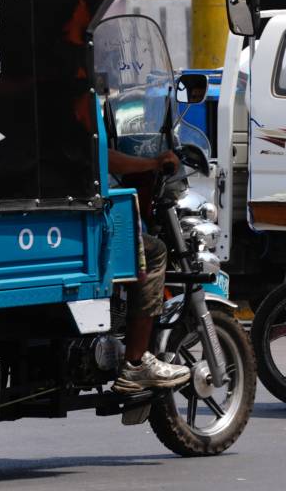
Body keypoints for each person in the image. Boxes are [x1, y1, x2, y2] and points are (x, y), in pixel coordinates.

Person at [108, 148, 192, 394]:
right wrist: (154, 162)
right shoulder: (77, 118)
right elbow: (102, 155)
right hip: (82, 211)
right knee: (154, 251)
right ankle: (135, 362)